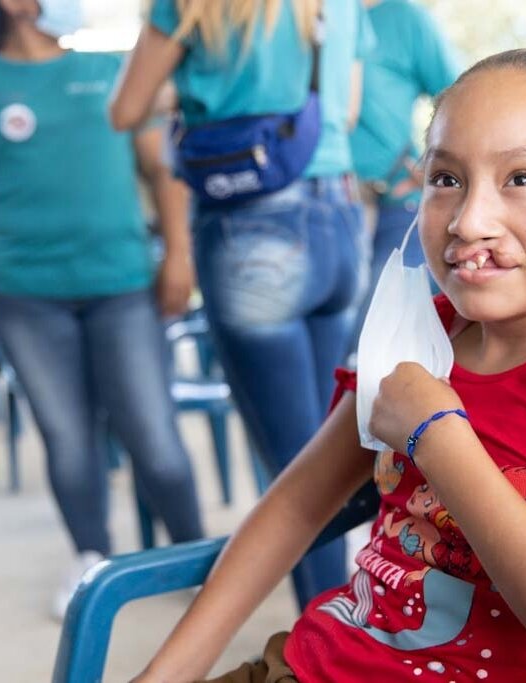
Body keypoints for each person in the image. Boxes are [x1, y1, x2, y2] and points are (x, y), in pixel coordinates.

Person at [132, 48, 526, 682]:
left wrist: (437, 435)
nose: (469, 221)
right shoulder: (422, 331)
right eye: (446, 179)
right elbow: (295, 509)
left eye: (521, 178)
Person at [0, 0, 204, 620]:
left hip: (124, 287)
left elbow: (164, 169)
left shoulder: (111, 72)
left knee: (153, 436)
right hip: (25, 297)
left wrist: (180, 255)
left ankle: (197, 560)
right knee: (68, 438)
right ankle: (90, 556)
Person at [110, 0, 375, 610]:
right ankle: (348, 619)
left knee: (295, 473)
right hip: (337, 218)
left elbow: (125, 108)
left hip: (253, 230)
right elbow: (348, 109)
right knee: (326, 451)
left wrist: (197, 91)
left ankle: (326, 650)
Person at [349, 0, 460, 348]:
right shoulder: (308, 14)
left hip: (395, 200)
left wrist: (434, 167)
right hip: (330, 201)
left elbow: (460, 97)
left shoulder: (405, 19)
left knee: (379, 327)